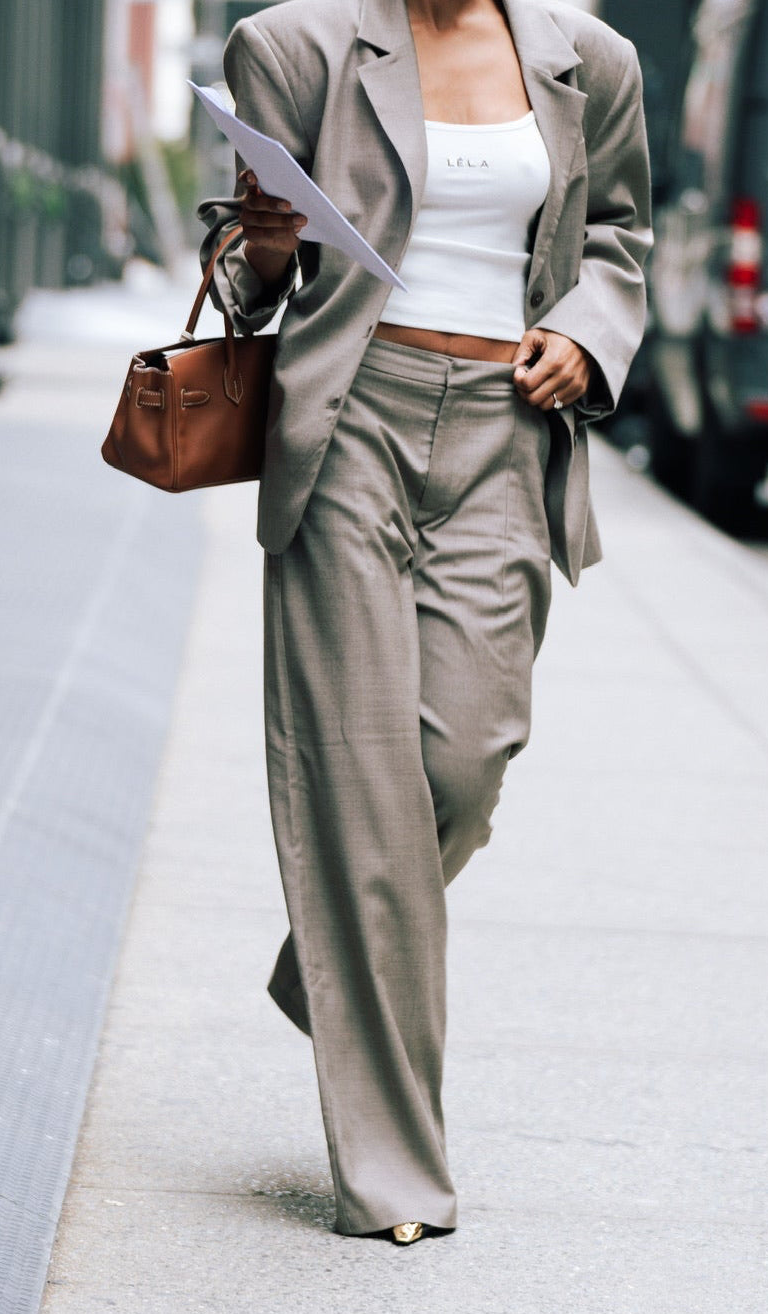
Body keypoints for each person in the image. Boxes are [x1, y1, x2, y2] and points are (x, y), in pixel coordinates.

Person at [198, 0, 651, 1245]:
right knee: (356, 772)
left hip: (507, 430)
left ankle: (335, 960)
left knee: (462, 758)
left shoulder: (587, 58)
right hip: (349, 418)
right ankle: (397, 1178)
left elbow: (619, 240)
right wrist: (273, 245)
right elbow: (246, 278)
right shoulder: (293, 46)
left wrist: (581, 331)